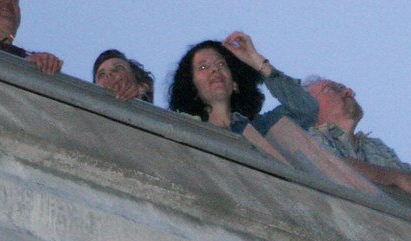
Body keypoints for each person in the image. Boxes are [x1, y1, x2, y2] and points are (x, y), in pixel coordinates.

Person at [168, 32, 317, 135]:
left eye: (221, 64)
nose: (214, 69)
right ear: (192, 87)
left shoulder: (260, 128)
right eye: (203, 67)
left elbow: (306, 110)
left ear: (234, 83)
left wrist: (257, 61)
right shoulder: (186, 130)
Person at [303, 76, 411, 194]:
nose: (348, 91)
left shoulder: (376, 146)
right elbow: (329, 164)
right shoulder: (305, 137)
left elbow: (407, 179)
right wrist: (394, 177)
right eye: (335, 88)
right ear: (308, 103)